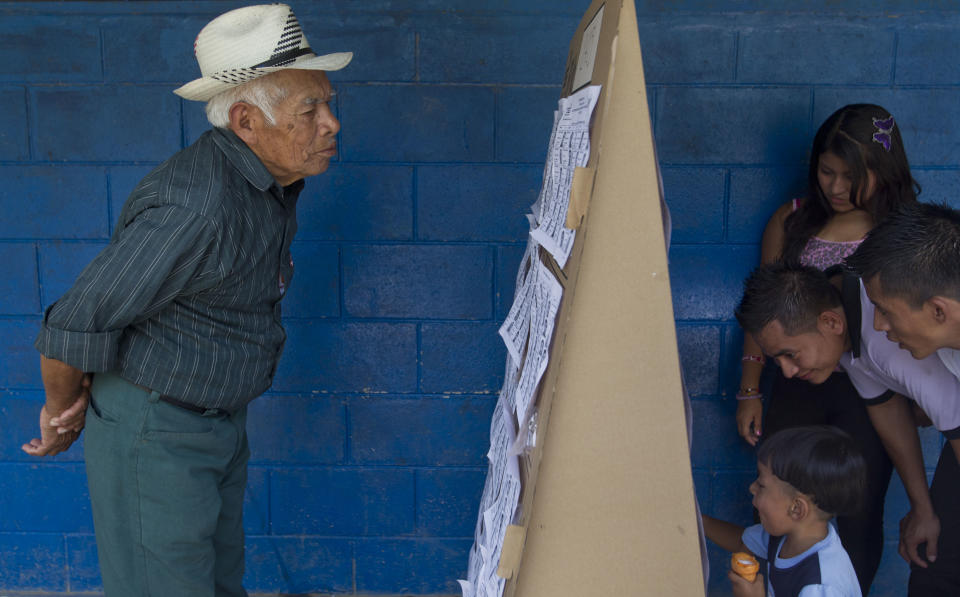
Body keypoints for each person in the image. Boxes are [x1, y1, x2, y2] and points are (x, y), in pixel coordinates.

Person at [23, 5, 352, 596]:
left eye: (327, 104)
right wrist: (62, 408)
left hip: (212, 423)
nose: (330, 123)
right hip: (157, 432)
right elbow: (72, 323)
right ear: (247, 121)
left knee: (218, 586)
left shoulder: (263, 182)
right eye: (311, 111)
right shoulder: (199, 206)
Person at [734, 103, 916, 593]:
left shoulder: (903, 234)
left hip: (870, 400)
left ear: (883, 170)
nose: (835, 187)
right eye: (826, 171)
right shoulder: (791, 221)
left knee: (858, 515)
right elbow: (762, 314)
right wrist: (749, 387)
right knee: (782, 507)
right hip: (797, 391)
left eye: (851, 176)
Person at [736, 262, 960, 597]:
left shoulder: (885, 338)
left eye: (790, 354)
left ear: (831, 322)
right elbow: (887, 411)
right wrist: (922, 507)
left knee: (941, 567)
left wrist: (927, 512)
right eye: (777, 359)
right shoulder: (850, 335)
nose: (786, 371)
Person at [845, 201, 960, 595]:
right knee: (936, 569)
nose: (878, 326)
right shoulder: (942, 340)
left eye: (885, 311)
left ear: (938, 310)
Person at [702, 425, 866, 597]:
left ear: (796, 509)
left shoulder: (820, 587)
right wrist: (697, 521)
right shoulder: (788, 537)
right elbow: (742, 542)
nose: (752, 488)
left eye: (761, 485)